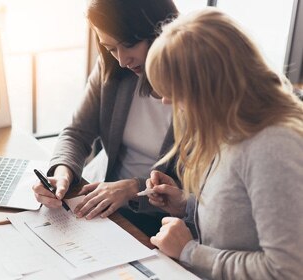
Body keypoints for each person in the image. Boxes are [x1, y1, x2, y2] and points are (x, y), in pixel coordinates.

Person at [144, 8, 303, 279]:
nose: (166, 101)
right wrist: (187, 205)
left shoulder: (274, 147)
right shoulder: (229, 127)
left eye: (174, 91)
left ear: (206, 89)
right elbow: (241, 214)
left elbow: (287, 269)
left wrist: (189, 251)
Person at [32, 0, 179, 236]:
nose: (122, 60)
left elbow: (196, 186)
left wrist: (134, 188)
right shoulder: (113, 68)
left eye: (129, 44)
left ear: (160, 29)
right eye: (110, 48)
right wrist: (61, 173)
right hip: (99, 199)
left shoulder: (197, 82)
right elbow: (77, 132)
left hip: (159, 220)